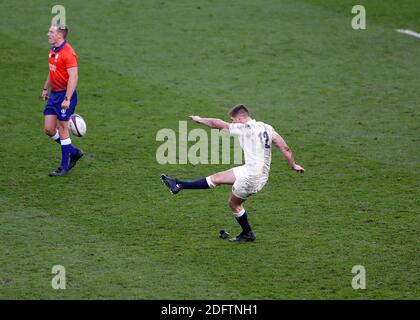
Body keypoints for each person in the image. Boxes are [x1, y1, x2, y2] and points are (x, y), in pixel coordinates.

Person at [161, 104, 305, 242]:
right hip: (251, 169)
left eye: (233, 120)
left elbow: (217, 123)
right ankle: (178, 185)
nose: (233, 123)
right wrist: (293, 164)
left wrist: (199, 120)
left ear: (240, 119)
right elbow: (283, 146)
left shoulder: (244, 128)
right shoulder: (267, 127)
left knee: (234, 204)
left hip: (252, 177)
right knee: (216, 178)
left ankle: (248, 233)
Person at [41, 24, 83, 176]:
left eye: (51, 32)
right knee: (49, 129)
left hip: (65, 96)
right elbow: (52, 71)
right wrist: (46, 88)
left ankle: (64, 167)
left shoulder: (68, 53)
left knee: (63, 129)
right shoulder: (53, 50)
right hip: (54, 95)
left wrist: (67, 98)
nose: (48, 34)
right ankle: (74, 152)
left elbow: (74, 77)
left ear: (60, 35)